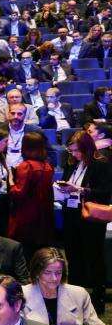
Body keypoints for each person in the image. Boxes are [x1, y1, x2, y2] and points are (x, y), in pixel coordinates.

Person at [59, 131, 111, 314]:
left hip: (91, 218)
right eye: (71, 150)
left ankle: (98, 300)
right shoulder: (71, 162)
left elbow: (105, 193)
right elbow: (68, 182)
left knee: (94, 257)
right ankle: (75, 297)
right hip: (72, 214)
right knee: (73, 257)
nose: (73, 154)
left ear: (86, 148)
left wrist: (80, 190)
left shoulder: (101, 164)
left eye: (76, 151)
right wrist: (64, 188)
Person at [22, 248, 105, 325]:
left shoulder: (79, 294)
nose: (54, 278)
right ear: (37, 273)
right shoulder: (22, 295)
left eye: (58, 273)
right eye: (47, 272)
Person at [7, 131, 55, 256]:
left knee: (23, 253)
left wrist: (11, 180)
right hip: (43, 216)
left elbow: (18, 193)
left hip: (26, 216)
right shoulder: (47, 166)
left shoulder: (26, 166)